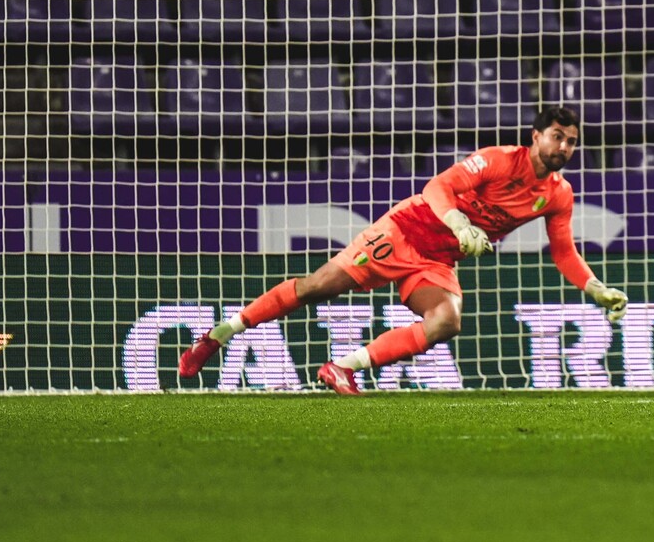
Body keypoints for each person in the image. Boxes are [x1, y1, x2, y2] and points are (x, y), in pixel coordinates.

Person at [179, 104, 628, 395]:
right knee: (316, 287)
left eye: (571, 141)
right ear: (535, 136)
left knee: (447, 320)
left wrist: (596, 288)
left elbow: (563, 251)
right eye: (557, 136)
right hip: (405, 231)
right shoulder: (497, 160)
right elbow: (437, 187)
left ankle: (342, 368)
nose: (564, 146)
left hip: (438, 259)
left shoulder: (558, 194)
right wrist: (458, 221)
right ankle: (217, 336)